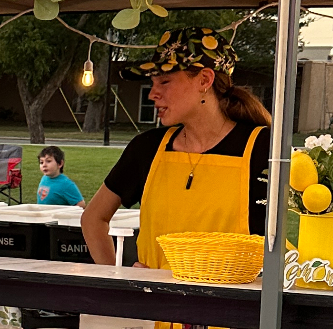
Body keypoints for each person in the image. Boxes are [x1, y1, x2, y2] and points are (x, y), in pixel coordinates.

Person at [80, 29, 270, 268]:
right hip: (156, 303)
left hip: (232, 304)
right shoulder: (147, 148)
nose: (152, 94)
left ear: (204, 80)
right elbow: (93, 218)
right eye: (152, 83)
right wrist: (118, 281)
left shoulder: (263, 148)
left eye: (165, 82)